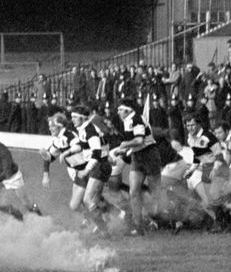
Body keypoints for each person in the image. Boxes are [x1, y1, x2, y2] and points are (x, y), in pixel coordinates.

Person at [110, 98, 162, 236]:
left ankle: (167, 217)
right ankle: (138, 226)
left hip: (150, 156)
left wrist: (124, 145)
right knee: (133, 191)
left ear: (128, 110)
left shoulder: (136, 119)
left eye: (121, 109)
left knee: (155, 193)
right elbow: (135, 143)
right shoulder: (127, 121)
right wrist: (124, 151)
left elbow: (139, 140)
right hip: (137, 157)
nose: (118, 112)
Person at [62, 106, 113, 237]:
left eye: (75, 117)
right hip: (96, 165)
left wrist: (86, 170)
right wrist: (68, 151)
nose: (72, 119)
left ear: (82, 118)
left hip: (99, 166)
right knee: (85, 202)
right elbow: (83, 145)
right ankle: (105, 219)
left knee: (88, 200)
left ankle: (104, 229)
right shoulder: (84, 128)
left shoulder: (90, 130)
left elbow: (96, 152)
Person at [0, 128, 42, 220]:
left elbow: (7, 173)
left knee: (27, 203)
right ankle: (13, 211)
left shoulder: (3, 152)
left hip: (12, 176)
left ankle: (39, 214)